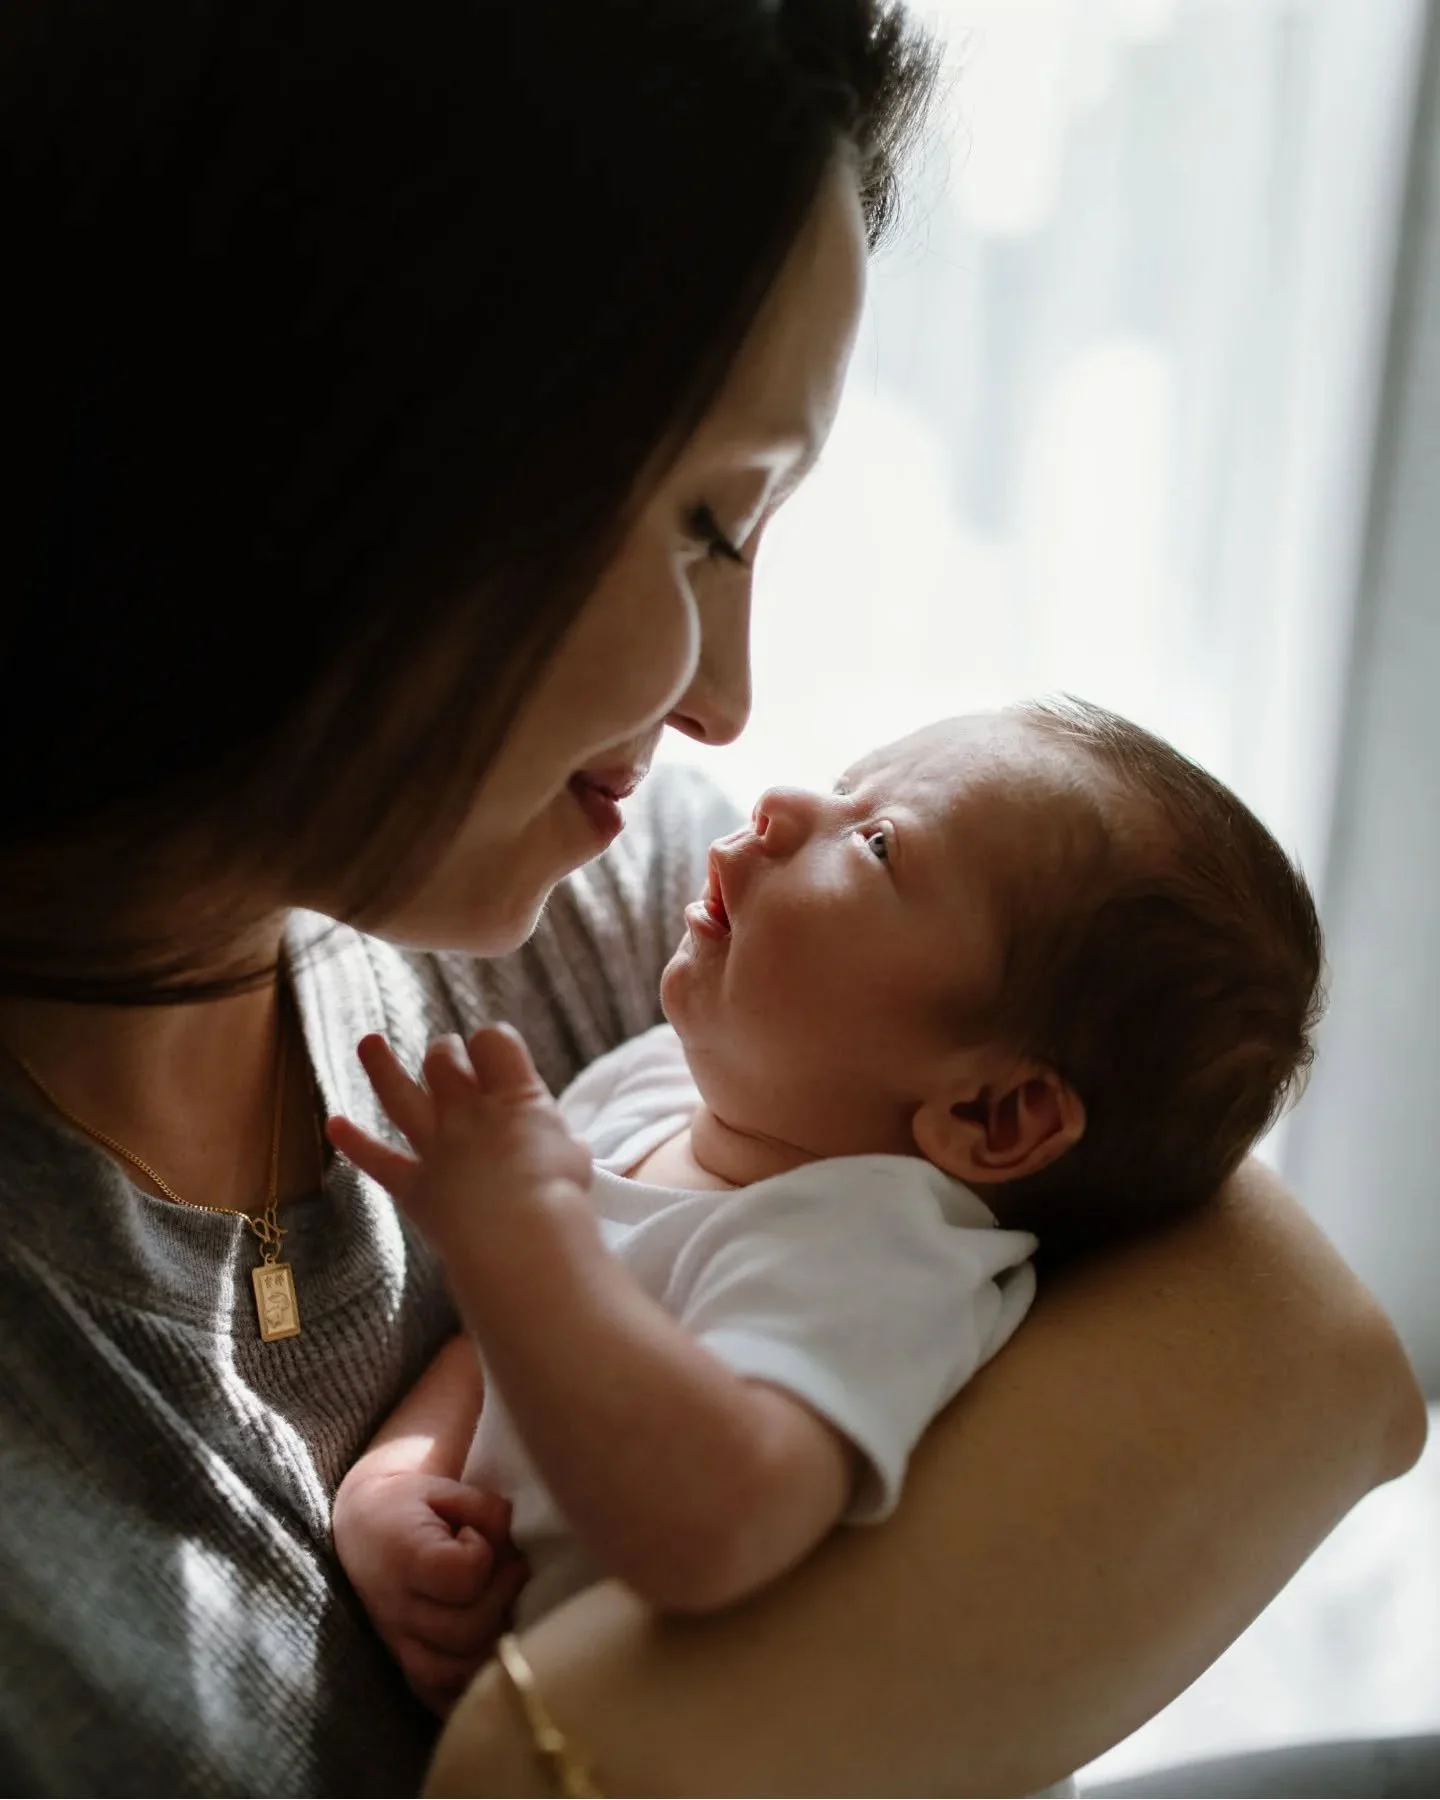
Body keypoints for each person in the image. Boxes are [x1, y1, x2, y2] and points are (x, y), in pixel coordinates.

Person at [0, 2, 1423, 1796]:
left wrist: (567, 1761)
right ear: (360, 440)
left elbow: (1313, 1354)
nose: (726, 709)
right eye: (707, 523)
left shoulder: (613, 907)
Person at [328, 698, 1325, 1684]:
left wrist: (527, 1241)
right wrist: (391, 1486)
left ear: (995, 1116)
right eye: (849, 781)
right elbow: (493, 1350)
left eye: (881, 845)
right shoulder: (660, 1084)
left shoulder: (880, 1253)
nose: (784, 803)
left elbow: (719, 1529)